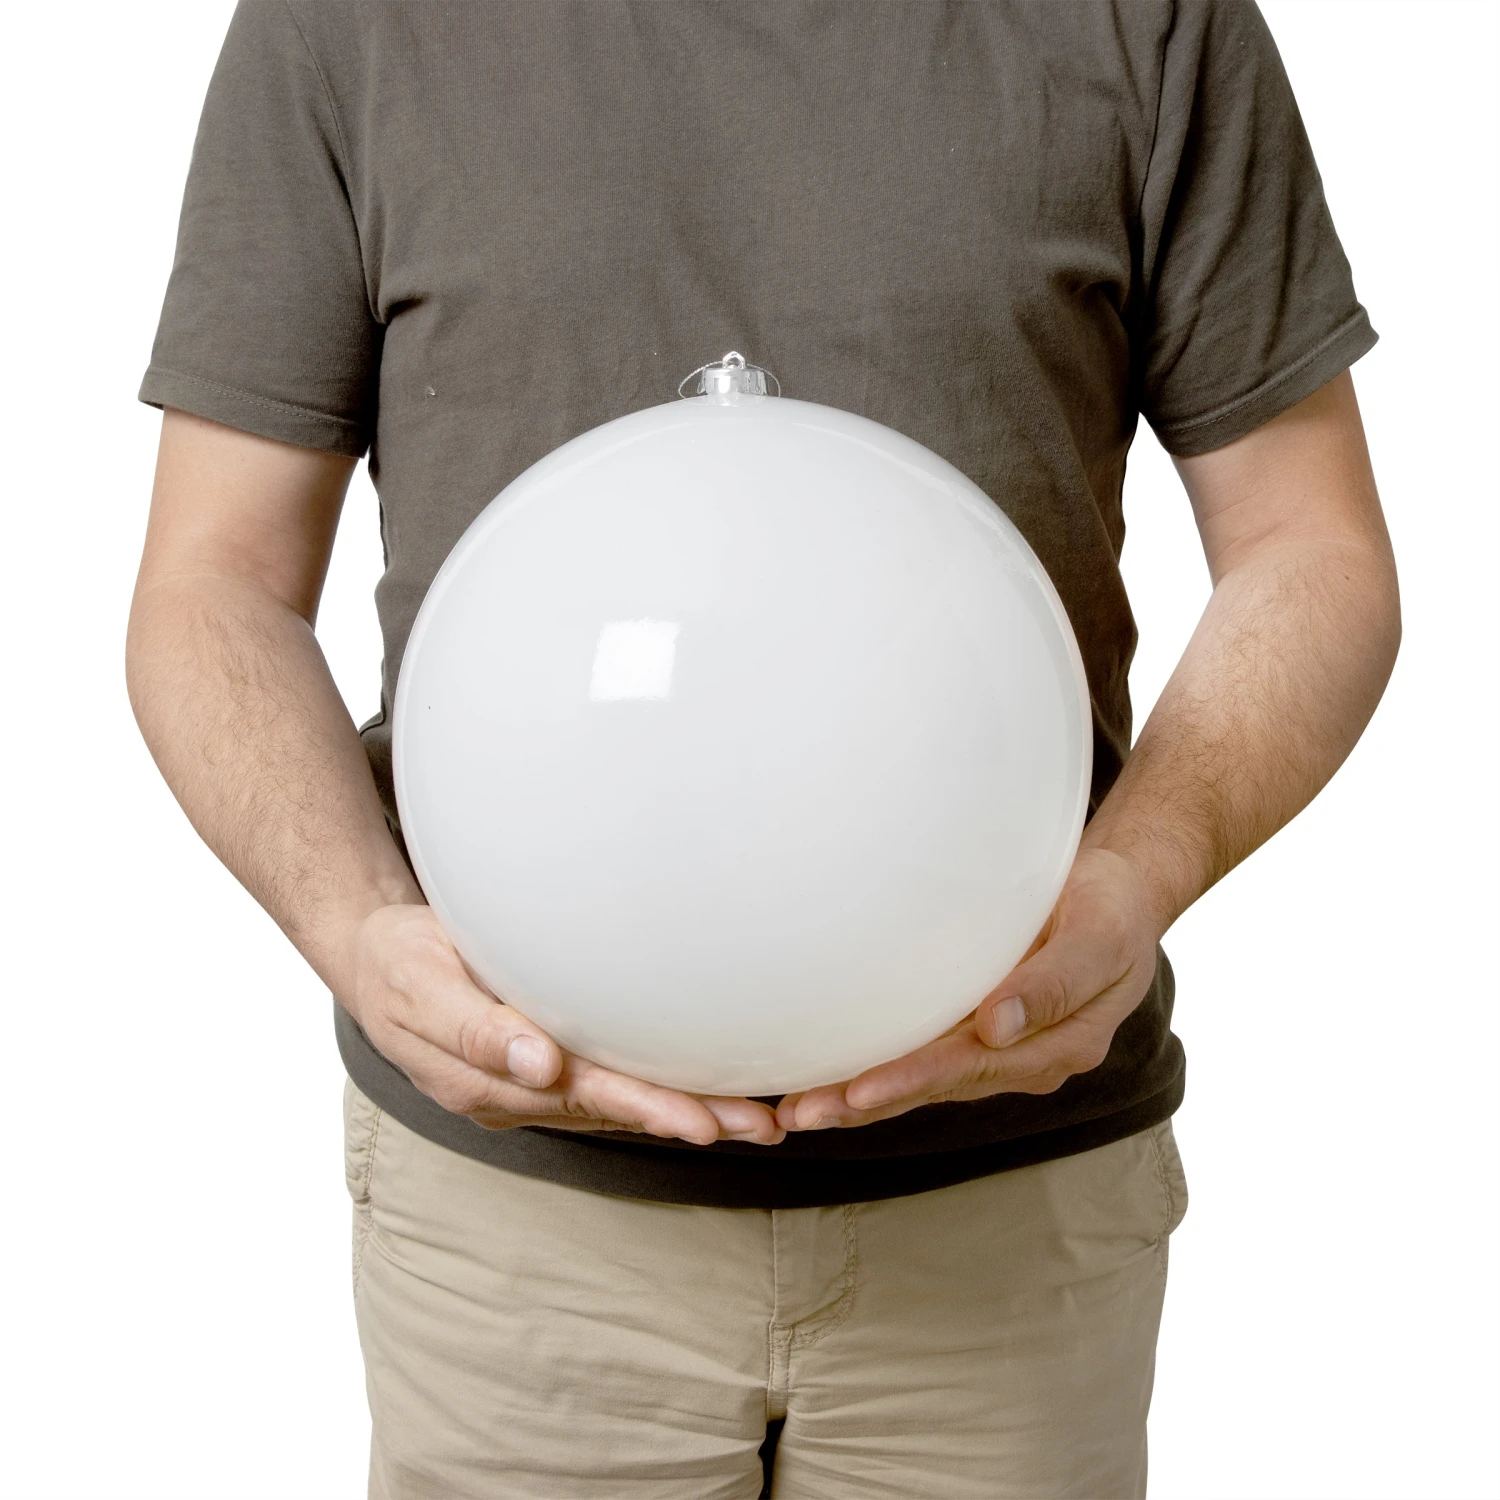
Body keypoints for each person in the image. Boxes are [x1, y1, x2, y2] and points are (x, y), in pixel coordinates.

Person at [126, 3, 1399, 1496]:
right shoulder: (346, 25)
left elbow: (1310, 549)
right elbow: (213, 586)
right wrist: (354, 931)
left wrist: (1142, 873)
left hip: (1012, 1206)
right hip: (519, 1237)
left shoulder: (1149, 18)